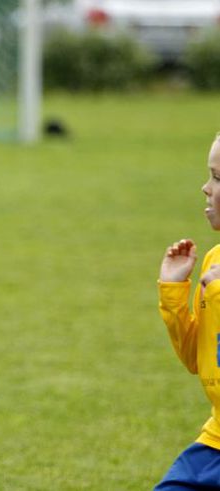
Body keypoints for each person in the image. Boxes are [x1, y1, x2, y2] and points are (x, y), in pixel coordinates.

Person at [157, 134, 220, 489]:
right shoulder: (214, 260)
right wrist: (174, 295)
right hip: (213, 443)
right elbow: (197, 359)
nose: (206, 188)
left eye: (218, 178)